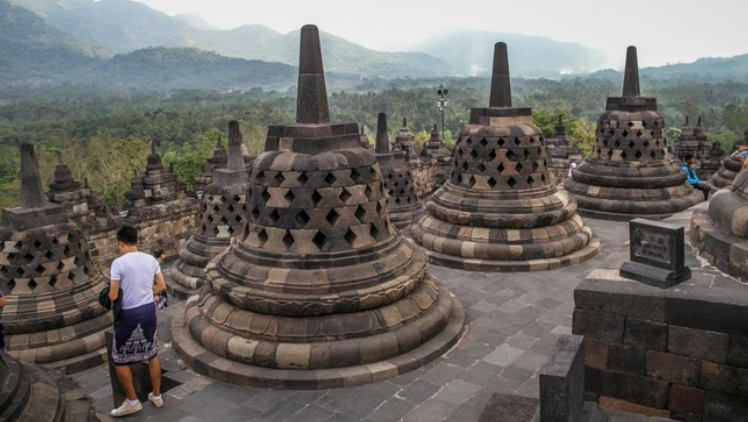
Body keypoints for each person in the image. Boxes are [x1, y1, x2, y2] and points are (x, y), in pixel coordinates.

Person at [108, 226, 167, 417]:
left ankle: (133, 401)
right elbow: (162, 286)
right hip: (149, 310)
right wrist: (146, 294)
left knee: (119, 359)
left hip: (129, 314)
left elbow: (113, 294)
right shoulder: (150, 259)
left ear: (120, 244)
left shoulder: (118, 263)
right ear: (138, 241)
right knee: (151, 353)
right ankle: (157, 396)